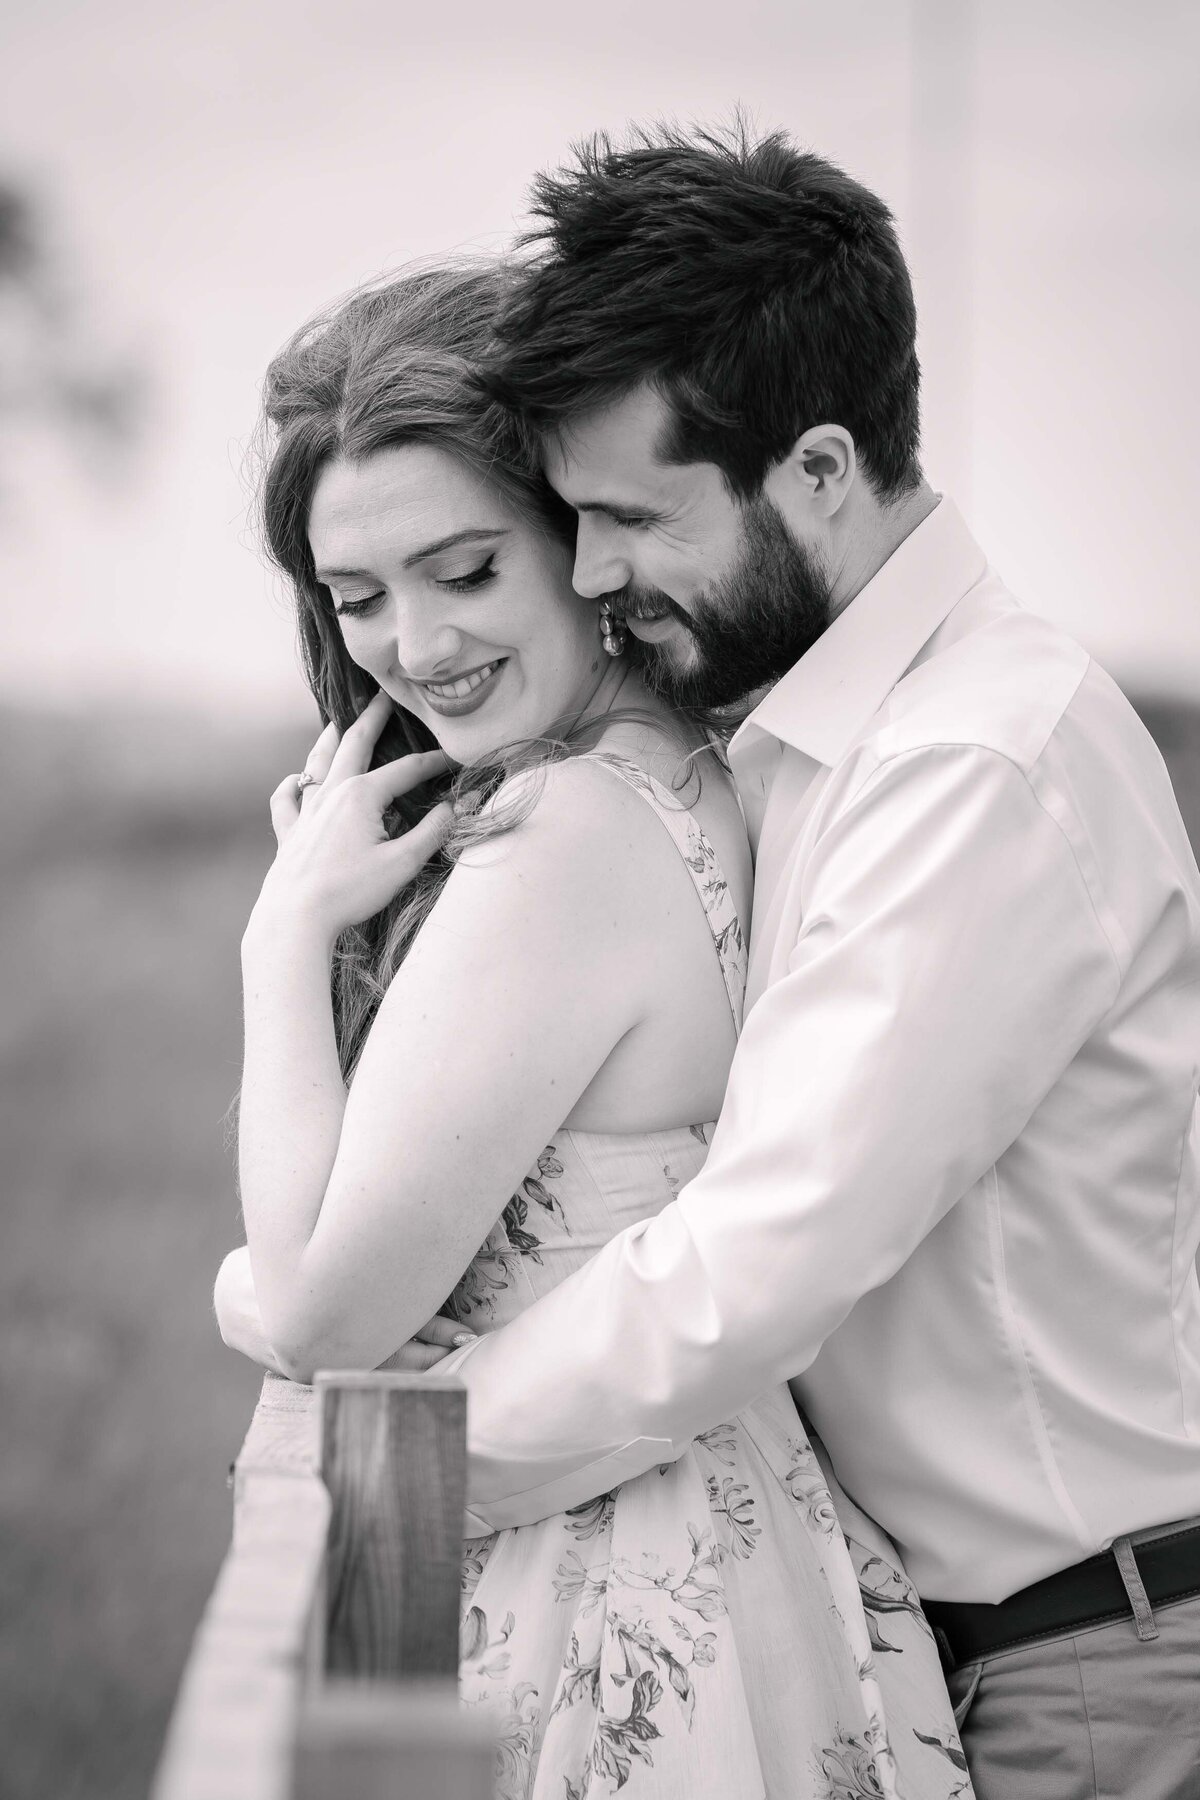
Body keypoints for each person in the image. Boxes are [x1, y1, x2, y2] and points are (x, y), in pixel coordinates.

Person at [358, 124, 1200, 1799]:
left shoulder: (977, 764)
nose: (591, 575)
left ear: (819, 470)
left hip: (1086, 1667)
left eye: (628, 519)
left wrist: (391, 1477)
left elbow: (753, 1265)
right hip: (968, 1639)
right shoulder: (806, 739)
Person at [215, 262, 969, 1799]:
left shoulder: (558, 837)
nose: (414, 648)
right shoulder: (685, 766)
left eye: (466, 570)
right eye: (356, 600)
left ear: (575, 533)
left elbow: (318, 1318)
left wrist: (281, 941)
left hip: (578, 1578)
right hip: (678, 1518)